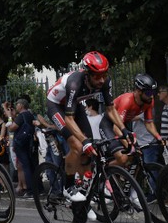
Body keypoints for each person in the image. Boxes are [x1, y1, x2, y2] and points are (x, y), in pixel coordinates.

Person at [46, 51, 125, 203]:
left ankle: (85, 188)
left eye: (104, 74)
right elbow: (69, 118)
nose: (102, 80)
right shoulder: (75, 83)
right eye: (96, 76)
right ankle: (67, 187)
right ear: (87, 74)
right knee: (77, 144)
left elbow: (110, 109)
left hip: (75, 104)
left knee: (91, 146)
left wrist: (125, 130)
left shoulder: (104, 81)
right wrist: (83, 141)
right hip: (56, 105)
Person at [103, 74, 164, 167]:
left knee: (132, 158)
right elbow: (116, 128)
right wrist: (129, 144)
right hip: (110, 125)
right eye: (148, 93)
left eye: (153, 93)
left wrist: (158, 137)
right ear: (139, 91)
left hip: (123, 124)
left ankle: (124, 179)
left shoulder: (148, 101)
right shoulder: (127, 101)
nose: (151, 96)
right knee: (123, 159)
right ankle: (105, 172)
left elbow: (149, 123)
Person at [7, 97, 37, 196]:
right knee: (28, 165)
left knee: (25, 166)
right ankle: (35, 187)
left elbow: (11, 128)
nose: (16, 106)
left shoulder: (21, 116)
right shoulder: (30, 115)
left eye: (17, 104)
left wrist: (10, 118)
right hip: (28, 142)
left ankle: (30, 190)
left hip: (20, 143)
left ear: (21, 105)